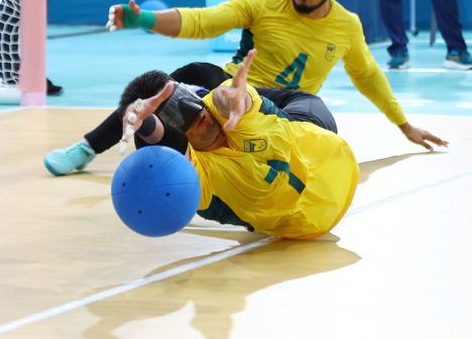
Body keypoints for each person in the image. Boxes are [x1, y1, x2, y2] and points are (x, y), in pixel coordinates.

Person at [43, 0, 447, 176]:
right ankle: (88, 148)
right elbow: (202, 21)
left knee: (313, 133)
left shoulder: (347, 26)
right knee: (178, 77)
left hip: (283, 112)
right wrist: (142, 18)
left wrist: (404, 125)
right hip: (230, 94)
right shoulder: (262, 4)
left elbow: (368, 75)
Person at [119, 49, 359, 240]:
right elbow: (163, 138)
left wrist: (235, 98)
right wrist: (144, 121)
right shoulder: (200, 177)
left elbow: (225, 98)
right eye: (174, 116)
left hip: (320, 138)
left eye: (183, 99)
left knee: (226, 91)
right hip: (309, 224)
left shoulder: (217, 105)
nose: (194, 112)